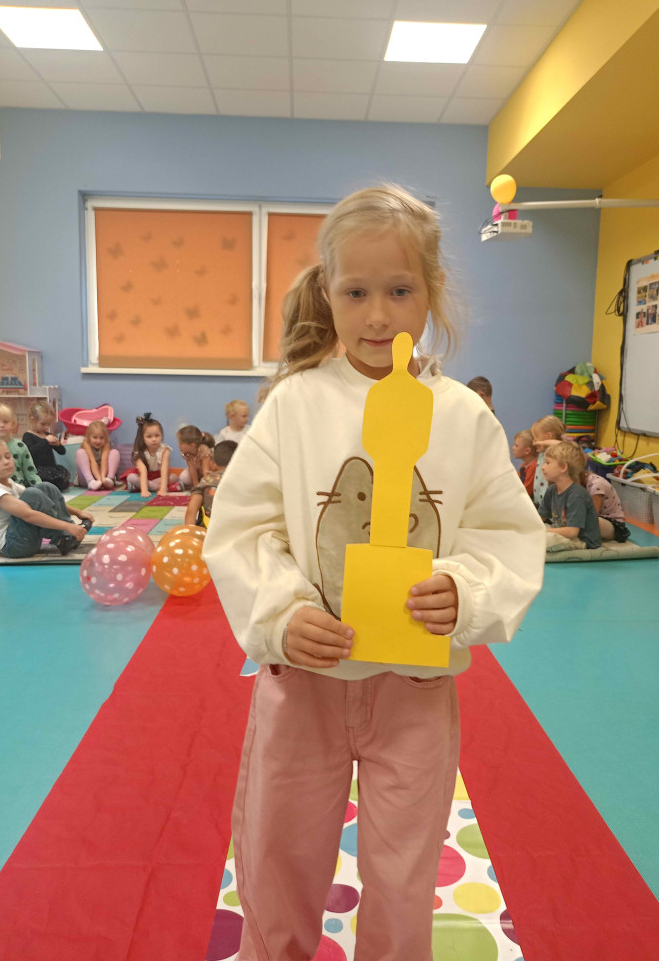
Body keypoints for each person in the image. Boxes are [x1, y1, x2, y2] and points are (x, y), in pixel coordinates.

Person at [203, 184, 545, 961]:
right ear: (327, 291)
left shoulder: (461, 415)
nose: (378, 316)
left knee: (402, 873)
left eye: (399, 291)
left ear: (431, 292)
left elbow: (504, 534)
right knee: (278, 857)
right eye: (356, 293)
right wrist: (280, 612)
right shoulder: (294, 405)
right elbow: (244, 528)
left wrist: (463, 591)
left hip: (414, 690)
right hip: (304, 681)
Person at [0, 436, 88, 557]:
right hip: (12, 546)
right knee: (32, 494)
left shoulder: (8, 482)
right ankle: (61, 537)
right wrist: (68, 527)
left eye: (8, 456)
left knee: (45, 487)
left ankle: (68, 536)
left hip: (23, 538)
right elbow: (28, 515)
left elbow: (43, 498)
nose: (6, 462)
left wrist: (77, 513)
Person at [538, 441, 601, 551]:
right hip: (562, 533)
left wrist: (541, 531)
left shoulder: (576, 494)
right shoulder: (552, 490)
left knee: (542, 539)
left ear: (563, 467)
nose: (543, 467)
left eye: (547, 463)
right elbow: (540, 517)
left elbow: (572, 531)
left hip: (581, 540)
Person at [184, 440, 238, 526]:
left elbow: (192, 510)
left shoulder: (206, 482)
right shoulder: (244, 481)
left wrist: (189, 531)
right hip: (237, 530)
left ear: (213, 464)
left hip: (208, 530)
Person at [23, 402, 71, 490]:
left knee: (63, 482)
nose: (46, 427)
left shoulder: (47, 435)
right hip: (37, 469)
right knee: (43, 482)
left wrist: (58, 444)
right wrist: (45, 441)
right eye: (43, 424)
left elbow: (62, 452)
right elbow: (30, 452)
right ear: (33, 420)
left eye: (48, 424)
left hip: (51, 469)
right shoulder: (28, 436)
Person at [122, 414, 172, 497]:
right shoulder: (139, 452)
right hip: (143, 476)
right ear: (142, 437)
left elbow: (164, 470)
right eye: (149, 436)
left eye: (157, 435)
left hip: (157, 476)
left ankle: (138, 487)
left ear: (161, 435)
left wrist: (163, 489)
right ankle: (155, 487)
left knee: (174, 477)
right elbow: (143, 471)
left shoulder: (165, 450)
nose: (154, 439)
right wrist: (144, 490)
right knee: (131, 477)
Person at [530, 414, 568, 508]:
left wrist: (542, 443)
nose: (534, 441)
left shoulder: (559, 451)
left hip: (552, 503)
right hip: (540, 500)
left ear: (549, 436)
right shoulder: (543, 452)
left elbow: (561, 444)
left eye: (536, 437)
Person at [585, 470, 630, 541]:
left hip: (614, 525)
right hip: (599, 520)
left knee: (586, 519)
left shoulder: (596, 485)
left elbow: (593, 515)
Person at [76, 420, 120, 491]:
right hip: (86, 478)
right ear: (89, 437)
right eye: (95, 437)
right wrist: (99, 479)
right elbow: (92, 461)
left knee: (115, 452)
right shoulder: (86, 443)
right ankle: (90, 481)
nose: (98, 441)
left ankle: (110, 478)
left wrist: (102, 478)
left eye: (101, 438)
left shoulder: (106, 443)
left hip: (104, 478)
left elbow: (104, 460)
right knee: (80, 452)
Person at [176, 425, 214, 489]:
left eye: (181, 443)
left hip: (209, 472)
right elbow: (192, 469)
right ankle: (196, 484)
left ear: (192, 445)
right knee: (184, 477)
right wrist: (196, 485)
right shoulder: (186, 452)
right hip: (198, 472)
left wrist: (206, 485)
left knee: (208, 479)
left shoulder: (204, 450)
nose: (178, 445)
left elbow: (206, 471)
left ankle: (206, 485)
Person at [512, 428, 537, 498]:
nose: (513, 447)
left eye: (516, 445)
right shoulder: (524, 466)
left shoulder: (533, 467)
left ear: (527, 451)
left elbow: (525, 492)